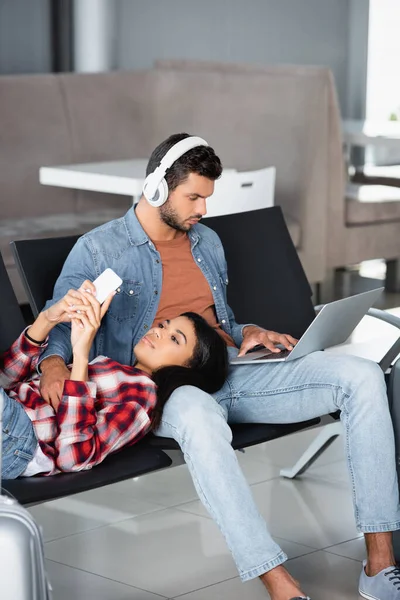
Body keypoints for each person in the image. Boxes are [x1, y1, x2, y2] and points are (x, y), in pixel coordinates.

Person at [38, 133, 400, 600]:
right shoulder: (99, 250)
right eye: (193, 197)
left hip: (233, 369)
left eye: (207, 199)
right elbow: (60, 324)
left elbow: (217, 321)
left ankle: (379, 561)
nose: (203, 211)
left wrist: (248, 331)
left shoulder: (206, 242)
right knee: (201, 415)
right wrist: (52, 365)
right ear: (155, 189)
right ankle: (278, 581)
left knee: (363, 376)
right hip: (164, 389)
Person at [0, 283, 228, 479]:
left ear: (187, 369)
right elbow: (6, 379)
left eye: (174, 339)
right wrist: (47, 319)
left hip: (19, 440)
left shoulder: (142, 399)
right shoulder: (114, 368)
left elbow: (74, 456)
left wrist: (80, 356)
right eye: (163, 325)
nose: (158, 332)